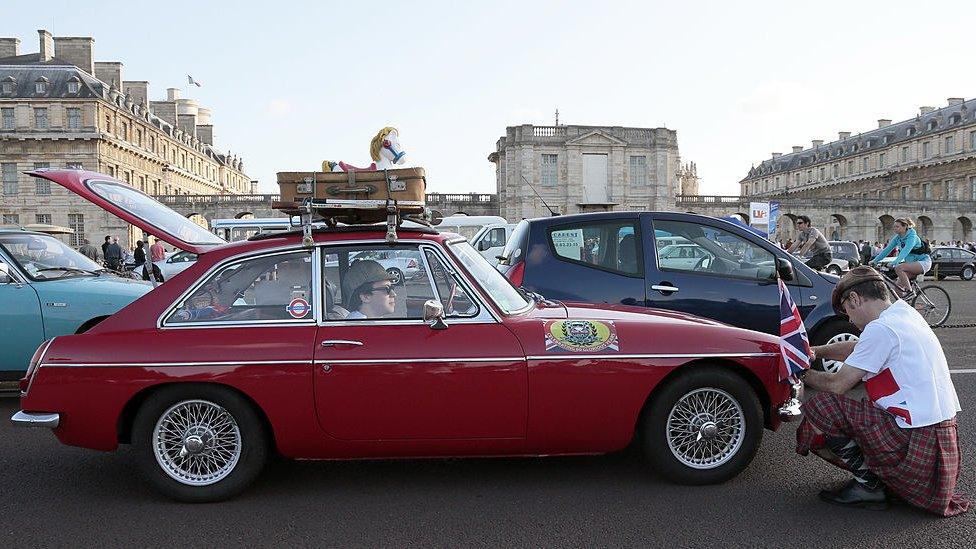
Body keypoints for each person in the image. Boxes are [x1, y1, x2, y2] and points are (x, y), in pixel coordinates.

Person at [795, 266, 968, 516]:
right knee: (858, 408)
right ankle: (879, 481)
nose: (850, 320)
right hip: (938, 440)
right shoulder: (904, 314)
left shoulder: (882, 330)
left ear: (854, 299)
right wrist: (815, 352)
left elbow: (837, 384)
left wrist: (800, 371)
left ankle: (868, 487)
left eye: (847, 312)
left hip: (916, 440)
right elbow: (859, 347)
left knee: (822, 407)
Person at [869, 218, 931, 298]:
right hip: (911, 264)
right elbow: (886, 250)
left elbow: (905, 251)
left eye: (897, 227)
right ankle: (905, 307)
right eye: (894, 227)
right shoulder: (897, 238)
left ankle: (910, 291)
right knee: (897, 289)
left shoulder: (912, 237)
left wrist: (895, 262)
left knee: (899, 268)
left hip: (923, 262)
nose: (895, 229)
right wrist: (874, 261)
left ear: (905, 226)